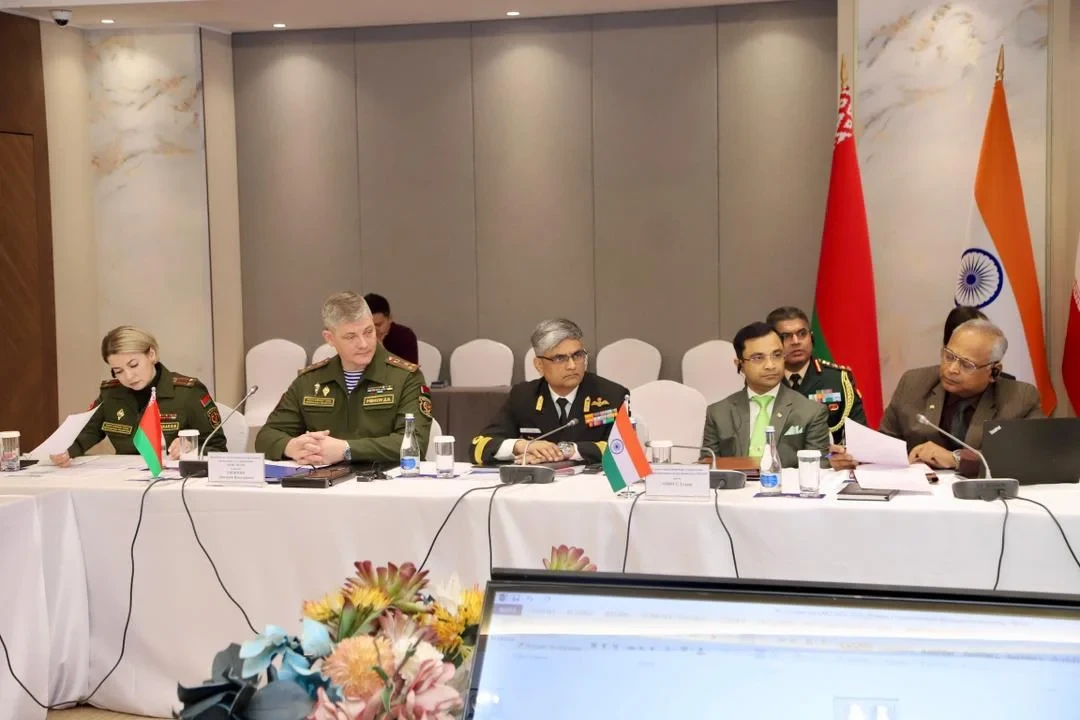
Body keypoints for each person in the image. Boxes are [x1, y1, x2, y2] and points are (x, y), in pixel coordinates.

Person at [836, 318, 1041, 475]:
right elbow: (887, 443)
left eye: (967, 364)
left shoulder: (1020, 398)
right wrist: (857, 457)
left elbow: (1030, 457)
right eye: (949, 356)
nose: (952, 369)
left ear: (994, 371)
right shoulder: (913, 384)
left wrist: (957, 459)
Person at [256, 291, 432, 465]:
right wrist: (291, 446)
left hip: (384, 479)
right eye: (351, 336)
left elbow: (415, 442)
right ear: (330, 338)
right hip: (323, 479)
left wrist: (346, 450)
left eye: (368, 332)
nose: (363, 344)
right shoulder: (309, 381)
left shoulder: (406, 377)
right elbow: (266, 436)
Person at [50, 326, 226, 466]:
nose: (128, 377)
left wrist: (192, 448)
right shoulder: (111, 394)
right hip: (124, 482)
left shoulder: (188, 392)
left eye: (133, 365)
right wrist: (66, 452)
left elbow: (218, 448)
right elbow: (88, 433)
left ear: (151, 355)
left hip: (172, 483)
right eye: (118, 371)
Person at [471, 318, 628, 465]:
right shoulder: (523, 396)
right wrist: (522, 446)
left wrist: (566, 450)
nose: (572, 366)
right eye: (560, 358)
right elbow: (479, 447)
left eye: (578, 355)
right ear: (539, 365)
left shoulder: (612, 395)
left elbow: (623, 450)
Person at [702, 322, 830, 467]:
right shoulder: (718, 413)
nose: (770, 365)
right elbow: (707, 469)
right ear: (740, 364)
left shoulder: (811, 412)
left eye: (777, 355)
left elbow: (818, 469)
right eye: (758, 358)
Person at [766, 306, 866, 443]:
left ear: (811, 337)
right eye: (785, 336)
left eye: (802, 334)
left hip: (827, 455)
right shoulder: (765, 381)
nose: (796, 341)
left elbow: (860, 435)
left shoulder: (837, 379)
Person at [364, 293, 419, 365]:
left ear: (390, 318)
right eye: (368, 326)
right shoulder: (358, 337)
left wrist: (382, 352)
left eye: (378, 325)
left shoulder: (405, 336)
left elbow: (409, 368)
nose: (374, 330)